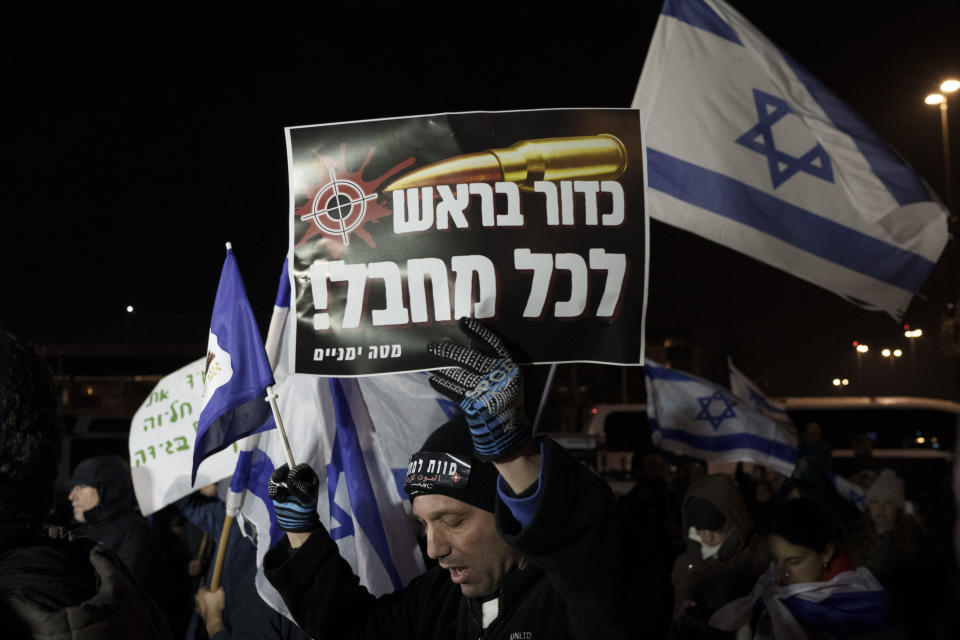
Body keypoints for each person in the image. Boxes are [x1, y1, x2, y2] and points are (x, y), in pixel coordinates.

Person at [262, 318, 634, 638]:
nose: (433, 549)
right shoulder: (439, 598)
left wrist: (510, 455)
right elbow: (354, 630)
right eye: (423, 525)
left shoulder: (581, 595)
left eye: (452, 521)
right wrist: (301, 534)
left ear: (510, 509)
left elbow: (590, 552)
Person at [0, 330, 170, 638]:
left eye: (83, 485)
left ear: (104, 490)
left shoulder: (130, 534)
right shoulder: (74, 539)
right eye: (74, 484)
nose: (73, 492)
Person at [710, 497, 900, 639]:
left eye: (794, 562)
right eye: (775, 560)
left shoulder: (864, 607)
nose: (782, 573)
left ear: (826, 553)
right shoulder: (764, 591)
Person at [670, 473, 769, 638]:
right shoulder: (684, 563)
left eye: (715, 529)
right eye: (700, 529)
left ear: (732, 520)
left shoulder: (760, 554)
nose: (707, 537)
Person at [851, 469, 942, 637]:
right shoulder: (857, 538)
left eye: (888, 502)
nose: (880, 508)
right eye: (875, 502)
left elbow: (927, 594)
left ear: (898, 508)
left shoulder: (917, 542)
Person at [67, 454, 162, 594]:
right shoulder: (76, 529)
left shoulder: (135, 531)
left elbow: (122, 590)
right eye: (72, 488)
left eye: (81, 487)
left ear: (105, 489)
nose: (71, 496)